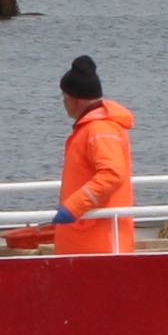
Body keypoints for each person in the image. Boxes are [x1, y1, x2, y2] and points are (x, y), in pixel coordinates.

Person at [49, 54, 136, 254]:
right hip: (88, 240)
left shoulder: (98, 129)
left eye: (64, 96)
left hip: (97, 244)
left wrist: (73, 207)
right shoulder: (93, 128)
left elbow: (111, 174)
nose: (63, 102)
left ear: (74, 99)